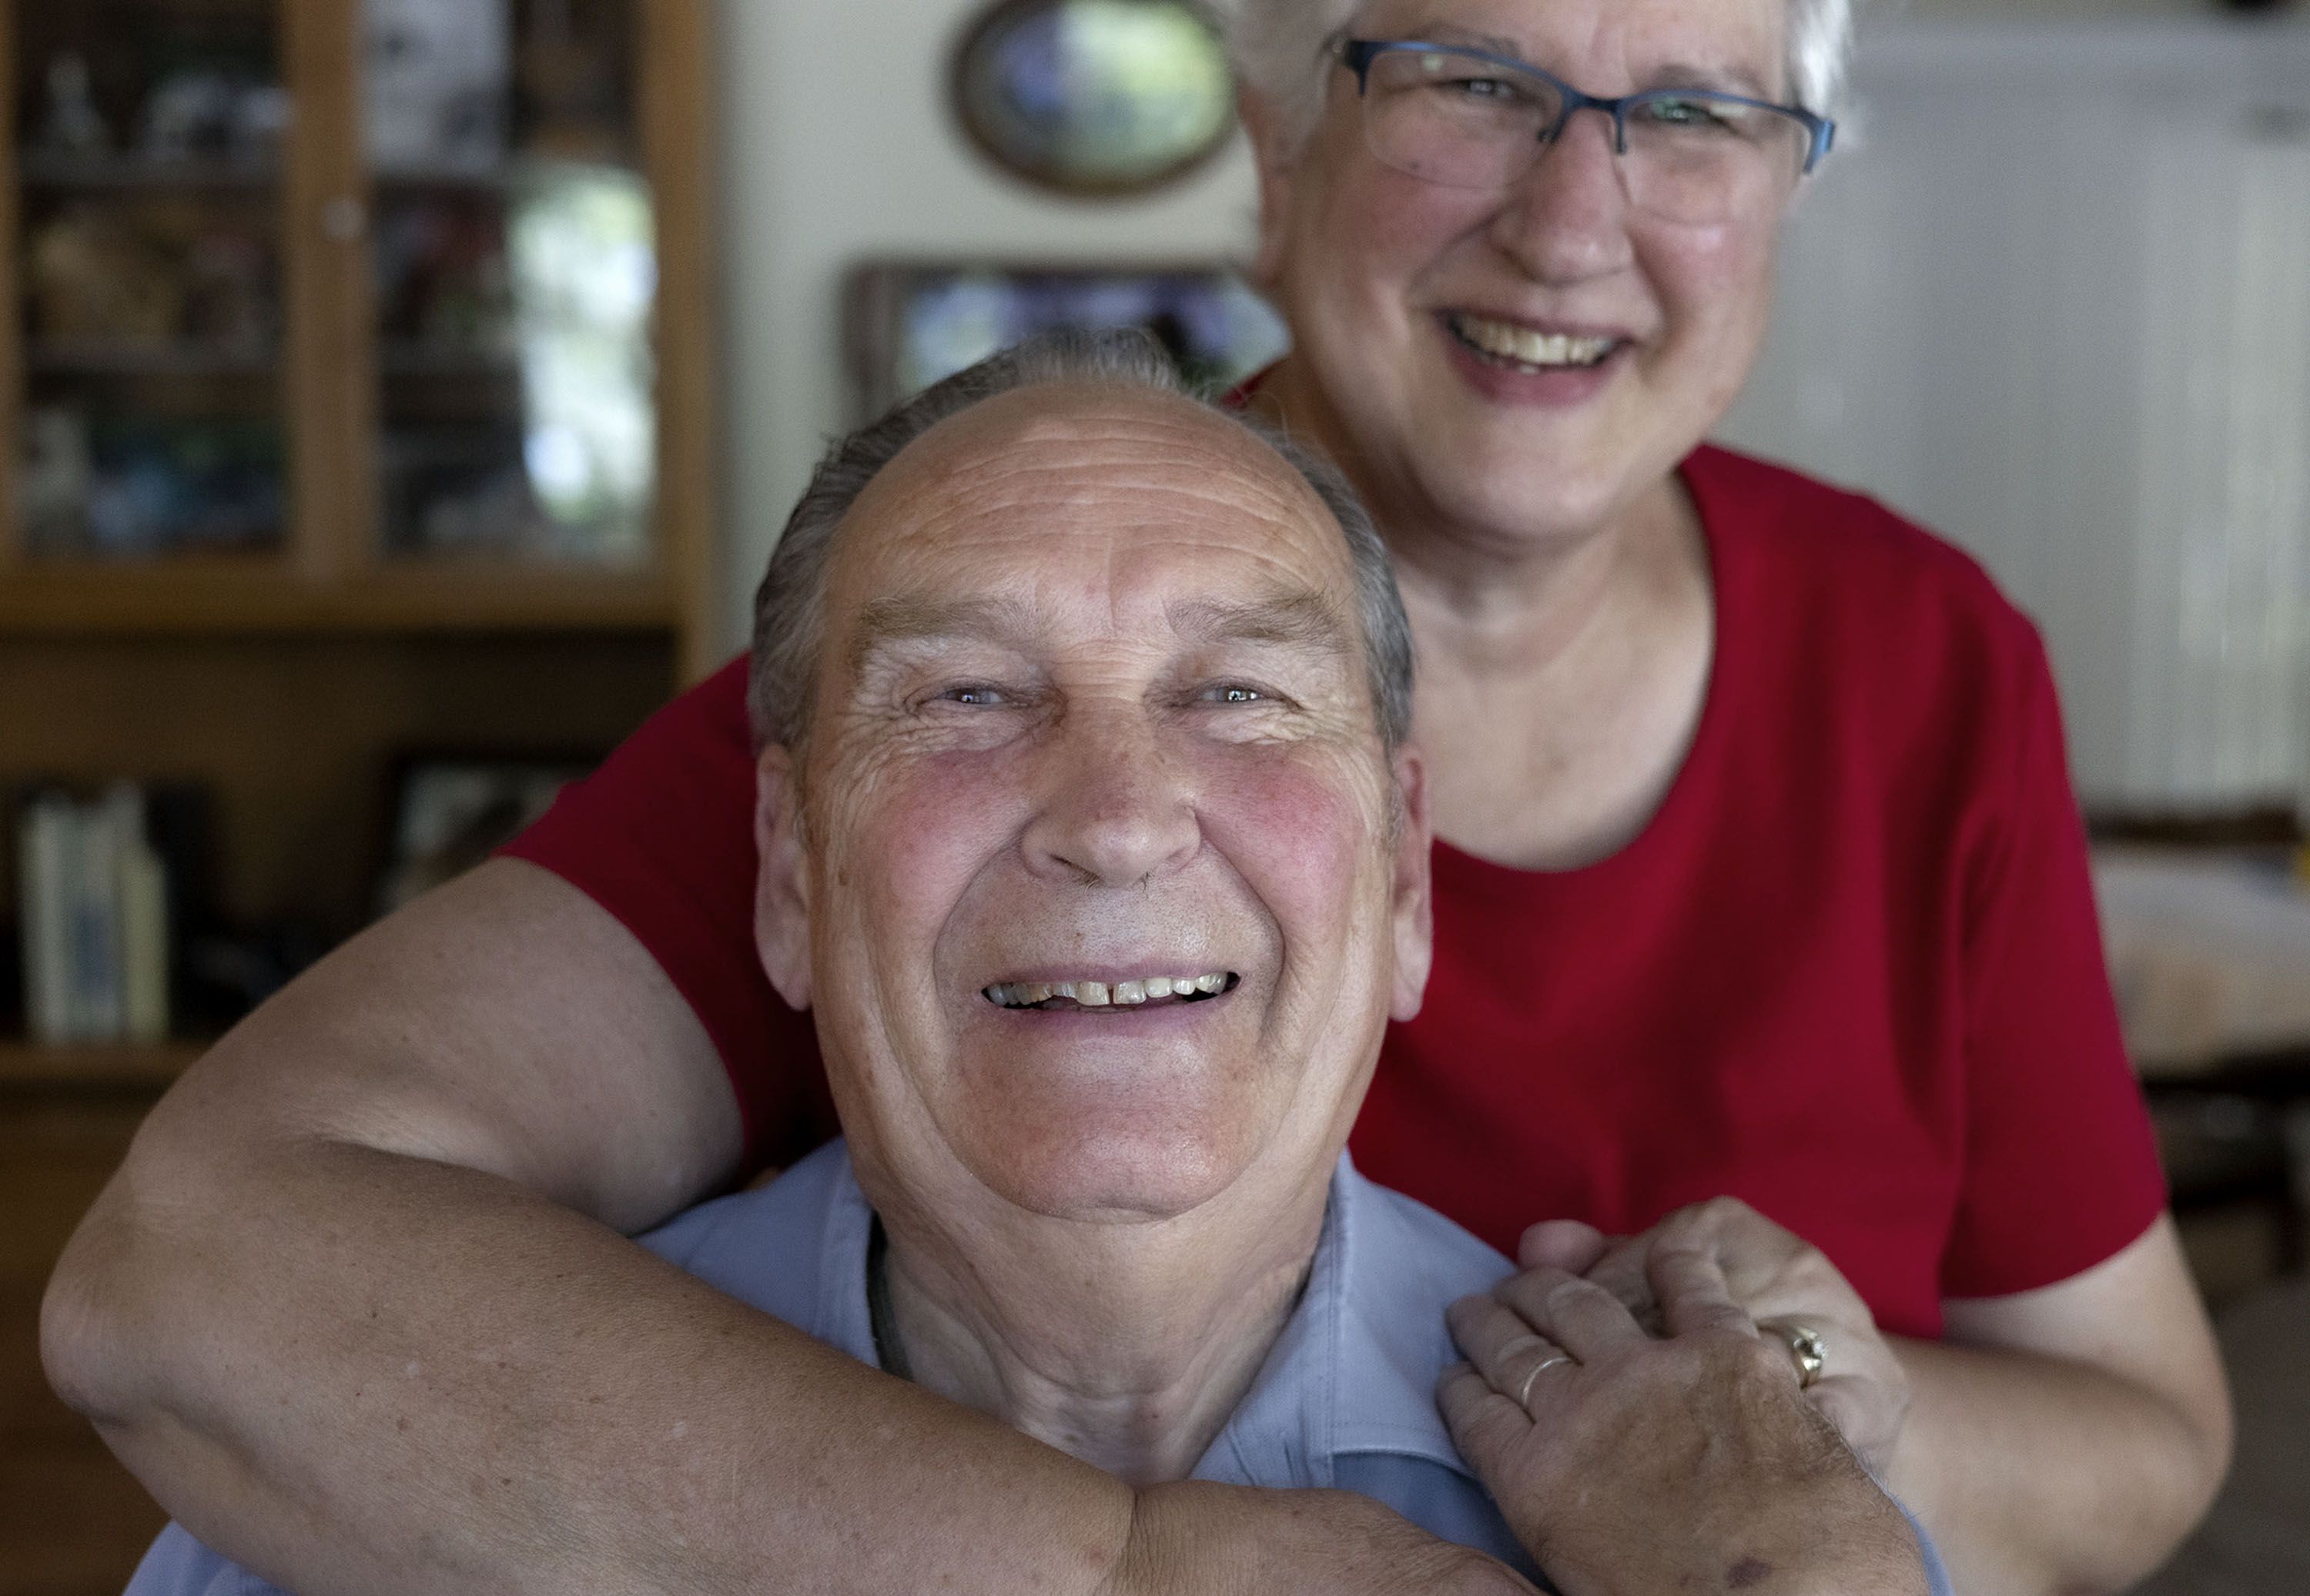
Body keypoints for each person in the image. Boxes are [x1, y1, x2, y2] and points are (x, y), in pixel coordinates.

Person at [45, 1, 2231, 1592]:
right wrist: (1137, 1570)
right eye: (1469, 80)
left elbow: (2144, 1435)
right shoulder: (913, 669)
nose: (1582, 216)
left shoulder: (1926, 652)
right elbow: (206, 1269)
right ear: (1276, 155)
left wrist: (1767, 1464)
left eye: (1692, 110)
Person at [122, 339, 1948, 1596]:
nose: (1119, 814)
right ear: (785, 866)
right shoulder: (374, 1444)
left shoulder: (1724, 1514)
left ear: (1403, 877)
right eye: (969, 697)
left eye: (1238, 693)